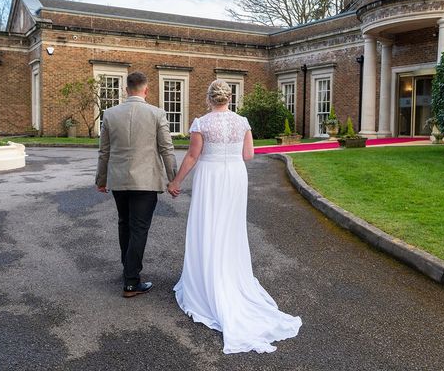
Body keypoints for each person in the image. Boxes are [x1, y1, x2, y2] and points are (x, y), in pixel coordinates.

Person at [168, 80, 302, 354]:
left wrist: (176, 181)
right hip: (235, 177)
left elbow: (193, 156)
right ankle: (230, 275)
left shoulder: (201, 123)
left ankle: (209, 280)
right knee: (230, 228)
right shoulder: (243, 122)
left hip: (211, 176)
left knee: (208, 226)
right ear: (230, 98)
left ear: (209, 98)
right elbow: (248, 155)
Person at [96, 71, 177, 298]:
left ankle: (128, 269)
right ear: (146, 90)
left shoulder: (110, 114)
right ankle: (131, 281)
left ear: (126, 89)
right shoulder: (157, 114)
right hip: (146, 181)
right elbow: (166, 149)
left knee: (125, 224)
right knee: (139, 228)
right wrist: (174, 179)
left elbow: (104, 151)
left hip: (119, 180)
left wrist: (101, 180)